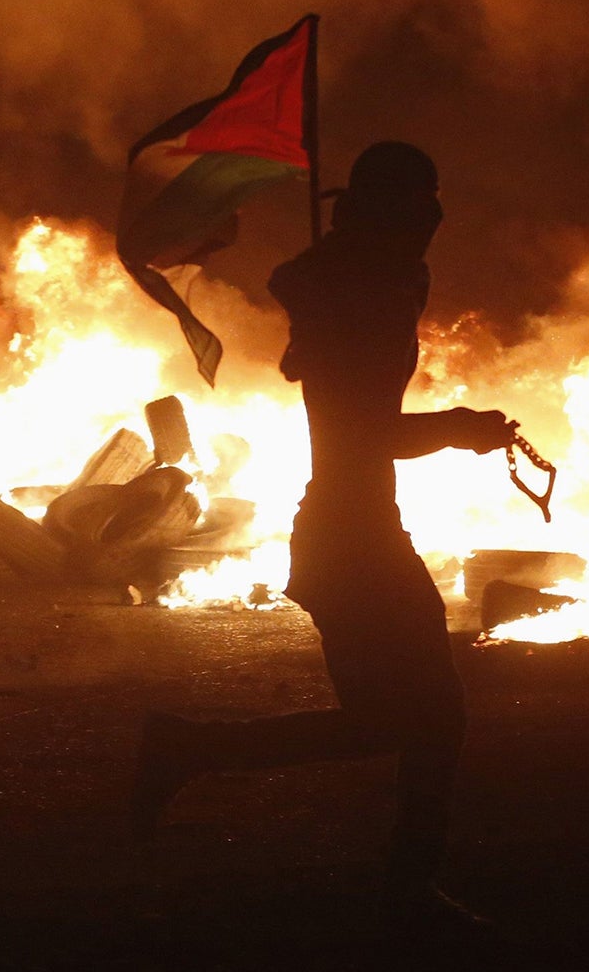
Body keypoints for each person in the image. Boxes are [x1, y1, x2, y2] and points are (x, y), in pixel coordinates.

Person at [129, 140, 515, 931]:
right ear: (389, 213)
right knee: (430, 720)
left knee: (399, 720)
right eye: (419, 205)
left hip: (360, 528)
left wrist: (336, 293)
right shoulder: (358, 298)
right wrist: (458, 427)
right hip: (352, 538)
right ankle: (403, 895)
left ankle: (189, 752)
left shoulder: (365, 286)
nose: (434, 221)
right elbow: (363, 432)